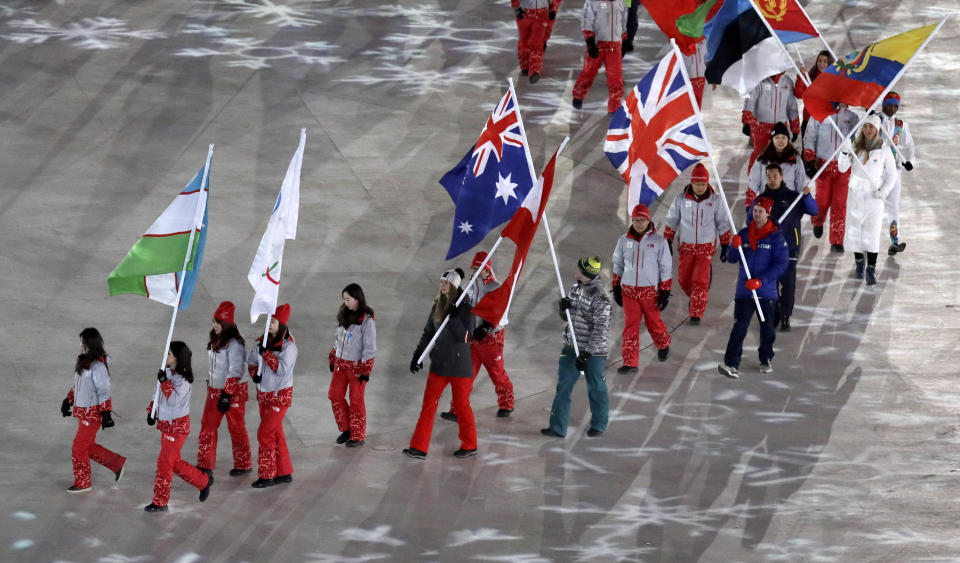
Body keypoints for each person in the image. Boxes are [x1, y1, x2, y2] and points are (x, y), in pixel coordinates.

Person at [404, 270, 477, 460]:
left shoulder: (465, 307)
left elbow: (466, 336)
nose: (442, 285)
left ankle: (470, 444)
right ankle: (419, 447)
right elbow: (428, 333)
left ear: (455, 286)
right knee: (428, 404)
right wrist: (417, 355)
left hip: (459, 366)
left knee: (462, 406)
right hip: (439, 364)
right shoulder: (437, 305)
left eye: (446, 282)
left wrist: (454, 319)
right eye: (441, 282)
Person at [718, 198, 790, 378]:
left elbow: (781, 264)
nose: (756, 214)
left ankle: (766, 357)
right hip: (744, 292)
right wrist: (733, 247)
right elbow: (732, 258)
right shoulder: (742, 234)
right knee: (739, 327)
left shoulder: (776, 237)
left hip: (766, 294)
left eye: (760, 211)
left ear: (768, 213)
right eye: (754, 210)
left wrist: (761, 281)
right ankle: (731, 363)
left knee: (767, 328)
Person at [541, 256, 611, 438]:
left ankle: (599, 424)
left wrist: (587, 353)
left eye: (579, 268)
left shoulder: (600, 297)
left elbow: (601, 329)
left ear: (587, 273)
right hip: (571, 347)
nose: (576, 270)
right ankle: (557, 427)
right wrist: (563, 308)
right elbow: (567, 319)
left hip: (593, 352)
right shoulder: (575, 289)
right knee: (563, 385)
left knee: (596, 387)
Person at [442, 251, 515, 422]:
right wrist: (454, 309)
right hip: (473, 337)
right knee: (466, 374)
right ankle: (456, 408)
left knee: (497, 372)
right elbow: (462, 304)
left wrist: (488, 327)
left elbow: (501, 313)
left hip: (491, 340)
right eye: (474, 267)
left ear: (487, 268)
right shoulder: (469, 284)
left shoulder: (495, 287)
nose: (476, 270)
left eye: (480, 267)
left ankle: (506, 404)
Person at [144, 341, 213, 513]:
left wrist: (165, 382)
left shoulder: (183, 380)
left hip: (177, 427)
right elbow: (157, 392)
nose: (165, 356)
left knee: (164, 463)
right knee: (173, 462)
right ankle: (203, 481)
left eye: (169, 354)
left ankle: (160, 501)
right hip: (166, 424)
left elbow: (173, 400)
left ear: (177, 358)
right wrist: (151, 411)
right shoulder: (166, 371)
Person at [662, 163, 732, 324]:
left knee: (700, 281)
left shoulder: (715, 201)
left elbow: (722, 222)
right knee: (683, 279)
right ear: (691, 183)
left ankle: (696, 312)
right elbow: (672, 220)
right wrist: (668, 240)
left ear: (707, 183)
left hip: (705, 248)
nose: (700, 187)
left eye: (703, 184)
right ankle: (695, 297)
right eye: (697, 183)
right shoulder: (680, 200)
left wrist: (725, 244)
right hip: (686, 247)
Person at [751, 164, 818, 331]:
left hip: (789, 248)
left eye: (775, 176)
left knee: (788, 284)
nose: (772, 180)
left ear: (782, 177)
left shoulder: (794, 197)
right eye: (769, 176)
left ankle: (786, 315)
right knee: (770, 284)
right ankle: (773, 314)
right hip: (768, 250)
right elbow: (750, 221)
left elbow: (814, 210)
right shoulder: (761, 199)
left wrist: (807, 197)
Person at [62, 328, 125, 493]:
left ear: (89, 344)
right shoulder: (85, 362)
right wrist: (68, 400)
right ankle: (116, 463)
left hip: (92, 414)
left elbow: (104, 391)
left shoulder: (98, 367)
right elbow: (78, 385)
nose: (80, 345)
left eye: (82, 342)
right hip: (83, 411)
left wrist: (106, 413)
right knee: (87, 446)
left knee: (78, 447)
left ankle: (83, 482)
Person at [612, 204, 672, 371]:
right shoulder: (624, 241)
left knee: (653, 322)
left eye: (642, 220)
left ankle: (663, 343)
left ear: (648, 220)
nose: (639, 223)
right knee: (631, 325)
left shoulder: (659, 241)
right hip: (629, 292)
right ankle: (630, 362)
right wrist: (616, 285)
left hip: (649, 292)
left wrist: (665, 290)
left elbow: (665, 267)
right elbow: (617, 263)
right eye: (636, 220)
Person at [841, 114, 897, 285]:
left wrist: (884, 191)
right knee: (856, 231)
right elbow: (842, 168)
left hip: (874, 198)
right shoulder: (855, 148)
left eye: (871, 127)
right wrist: (844, 152)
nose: (867, 130)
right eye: (865, 126)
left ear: (877, 129)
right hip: (856, 196)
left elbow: (892, 175)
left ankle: (871, 268)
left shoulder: (885, 150)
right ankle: (859, 263)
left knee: (872, 233)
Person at [196, 301, 251, 477]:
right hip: (214, 390)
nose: (215, 325)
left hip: (232, 392)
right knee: (207, 426)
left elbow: (236, 370)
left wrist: (227, 394)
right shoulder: (216, 338)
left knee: (236, 427)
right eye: (214, 321)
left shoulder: (235, 343)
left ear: (227, 324)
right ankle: (205, 465)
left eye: (218, 322)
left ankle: (243, 464)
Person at [247, 304, 297, 488]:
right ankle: (284, 472)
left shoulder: (289, 347)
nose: (269, 324)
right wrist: (255, 374)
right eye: (268, 320)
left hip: (279, 397)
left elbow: (282, 371)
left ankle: (267, 475)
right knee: (276, 433)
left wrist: (266, 355)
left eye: (273, 321)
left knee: (265, 434)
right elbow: (252, 360)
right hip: (264, 395)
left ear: (281, 323)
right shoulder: (262, 341)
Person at [803, 103, 859, 252]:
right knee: (822, 200)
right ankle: (818, 221)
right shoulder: (820, 113)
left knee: (839, 204)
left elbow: (858, 140)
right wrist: (809, 159)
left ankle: (837, 240)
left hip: (843, 166)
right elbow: (810, 136)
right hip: (824, 165)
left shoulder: (853, 118)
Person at [328, 284, 376, 448]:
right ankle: (346, 428)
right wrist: (333, 356)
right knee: (334, 395)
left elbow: (369, 348)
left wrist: (366, 370)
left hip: (356, 368)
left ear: (357, 299)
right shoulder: (344, 315)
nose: (346, 302)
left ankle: (358, 434)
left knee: (356, 401)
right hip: (341, 365)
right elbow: (338, 339)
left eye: (348, 299)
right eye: (344, 299)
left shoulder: (367, 321)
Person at [877, 92, 916, 256]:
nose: (891, 109)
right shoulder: (875, 119)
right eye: (889, 104)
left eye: (895, 106)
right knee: (875, 206)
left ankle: (894, 241)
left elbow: (909, 145)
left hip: (894, 170)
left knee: (893, 206)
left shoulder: (900, 124)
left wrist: (910, 161)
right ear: (883, 104)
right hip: (876, 170)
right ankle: (866, 242)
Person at [572, 0, 628, 114]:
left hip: (615, 46)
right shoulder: (593, 1)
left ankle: (615, 107)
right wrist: (590, 40)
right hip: (598, 45)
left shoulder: (623, 1)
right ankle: (578, 95)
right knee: (588, 72)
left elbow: (624, 18)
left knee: (616, 78)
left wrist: (624, 38)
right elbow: (587, 19)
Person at [742, 73, 800, 174]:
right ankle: (754, 185)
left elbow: (792, 106)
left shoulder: (787, 82)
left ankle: (777, 186)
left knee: (780, 158)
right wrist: (747, 122)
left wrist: (795, 127)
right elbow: (750, 101)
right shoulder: (759, 80)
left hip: (781, 129)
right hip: (761, 127)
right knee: (760, 156)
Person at [747, 122, 808, 209]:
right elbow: (754, 180)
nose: (780, 141)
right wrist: (750, 201)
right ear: (772, 140)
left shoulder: (795, 160)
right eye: (777, 137)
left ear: (788, 139)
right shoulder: (763, 159)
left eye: (783, 137)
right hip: (767, 206)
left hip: (788, 205)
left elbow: (800, 183)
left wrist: (801, 202)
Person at [511, 0, 556, 83]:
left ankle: (535, 71)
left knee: (537, 43)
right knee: (524, 42)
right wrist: (516, 7)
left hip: (542, 14)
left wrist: (552, 8)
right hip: (524, 13)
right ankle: (525, 66)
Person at [794, 50, 833, 138]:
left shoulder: (834, 80)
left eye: (825, 61)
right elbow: (798, 94)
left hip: (826, 121)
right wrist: (802, 76)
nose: (821, 64)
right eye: (819, 61)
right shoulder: (810, 77)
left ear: (829, 63)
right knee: (807, 150)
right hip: (808, 120)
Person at [683, 39, 707, 108]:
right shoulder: (682, 41)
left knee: (698, 104)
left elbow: (708, 57)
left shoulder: (704, 41)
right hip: (688, 78)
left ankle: (697, 118)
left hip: (701, 77)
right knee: (689, 105)